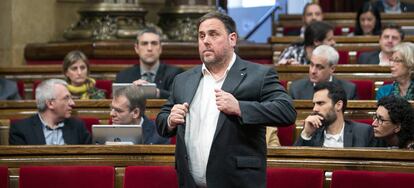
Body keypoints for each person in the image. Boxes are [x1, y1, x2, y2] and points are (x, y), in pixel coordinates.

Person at [156, 12, 296, 187]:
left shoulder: (259, 75)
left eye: (213, 34)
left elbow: (287, 111)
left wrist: (240, 108)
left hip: (238, 182)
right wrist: (170, 120)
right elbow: (162, 119)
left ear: (232, 39)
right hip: (190, 182)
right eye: (201, 35)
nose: (205, 40)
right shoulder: (183, 80)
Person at [9, 79, 91, 145]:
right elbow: (22, 164)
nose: (72, 103)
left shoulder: (78, 127)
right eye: (66, 98)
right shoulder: (21, 130)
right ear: (50, 103)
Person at [294, 82, 373, 147]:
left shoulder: (362, 132)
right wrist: (306, 134)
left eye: (320, 103)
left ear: (338, 105)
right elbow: (294, 163)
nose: (315, 109)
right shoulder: (312, 132)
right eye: (314, 104)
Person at [115, 27, 183, 99]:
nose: (149, 48)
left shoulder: (175, 74)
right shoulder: (123, 76)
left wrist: (155, 92)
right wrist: (130, 91)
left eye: (154, 43)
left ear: (160, 48)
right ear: (136, 48)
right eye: (144, 44)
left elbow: (179, 98)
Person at [289, 45, 357, 100]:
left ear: (332, 69)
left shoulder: (348, 90)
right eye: (311, 65)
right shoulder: (296, 89)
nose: (313, 71)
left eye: (319, 67)